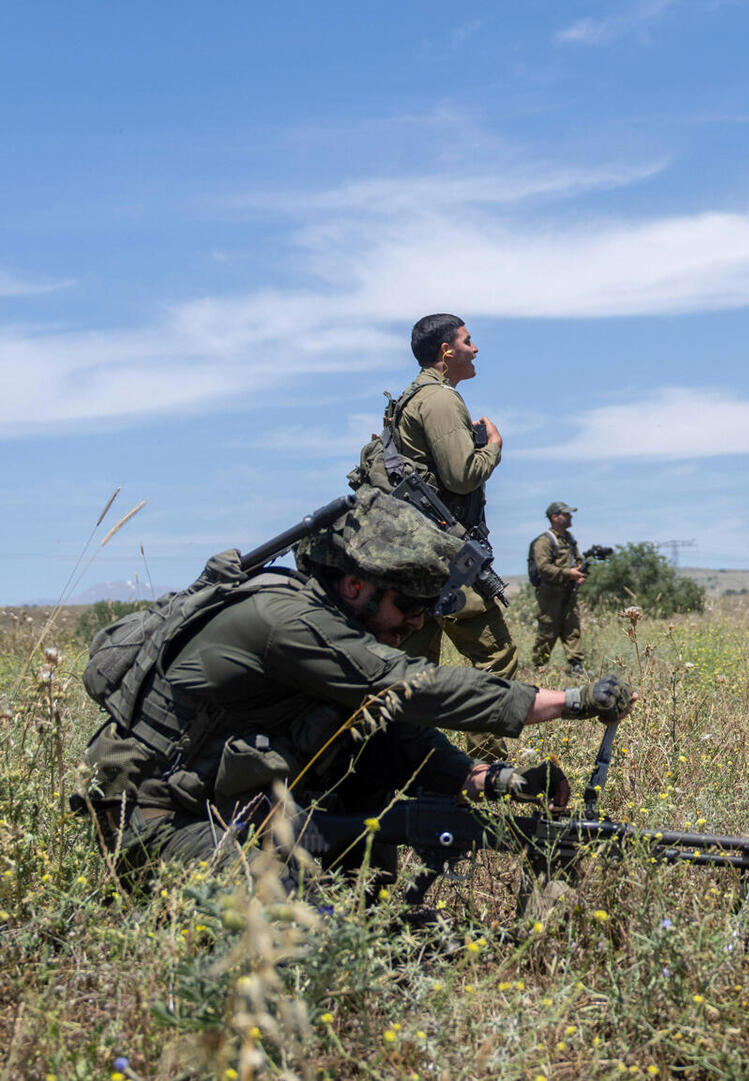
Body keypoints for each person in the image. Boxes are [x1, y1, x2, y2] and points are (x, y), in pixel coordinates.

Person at [75, 491, 633, 884]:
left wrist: (488, 779)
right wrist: (569, 701)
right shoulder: (285, 621)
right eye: (408, 606)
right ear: (355, 583)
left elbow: (390, 734)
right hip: (156, 822)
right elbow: (405, 687)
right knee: (299, 915)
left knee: (364, 845)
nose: (417, 623)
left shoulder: (326, 621)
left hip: (225, 808)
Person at [372, 314, 518, 680]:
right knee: (496, 658)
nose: (476, 349)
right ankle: (486, 741)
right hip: (444, 556)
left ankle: (397, 739)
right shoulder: (440, 399)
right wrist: (494, 448)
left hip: (415, 554)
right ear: (446, 350)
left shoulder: (412, 398)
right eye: (468, 341)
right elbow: (463, 476)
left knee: (412, 673)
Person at [529, 501, 587, 675]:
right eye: (567, 514)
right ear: (555, 517)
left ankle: (576, 665)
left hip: (568, 592)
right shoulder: (544, 541)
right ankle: (539, 667)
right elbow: (544, 568)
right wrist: (569, 573)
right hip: (550, 593)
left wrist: (579, 574)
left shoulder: (570, 539)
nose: (571, 517)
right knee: (548, 629)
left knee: (572, 627)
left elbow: (577, 561)